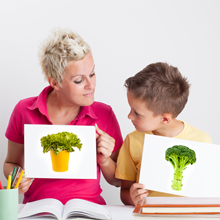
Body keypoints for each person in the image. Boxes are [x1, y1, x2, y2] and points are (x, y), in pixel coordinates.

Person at [4, 28, 123, 205]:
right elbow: (10, 164)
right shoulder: (24, 110)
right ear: (55, 82)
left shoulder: (104, 114)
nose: (91, 85)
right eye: (79, 80)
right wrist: (16, 179)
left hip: (89, 210)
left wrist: (104, 160)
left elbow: (118, 180)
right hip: (38, 210)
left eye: (92, 74)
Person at [115, 62, 212, 206]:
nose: (129, 116)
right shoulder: (133, 140)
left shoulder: (202, 141)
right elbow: (125, 192)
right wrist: (133, 198)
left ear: (165, 119)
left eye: (137, 113)